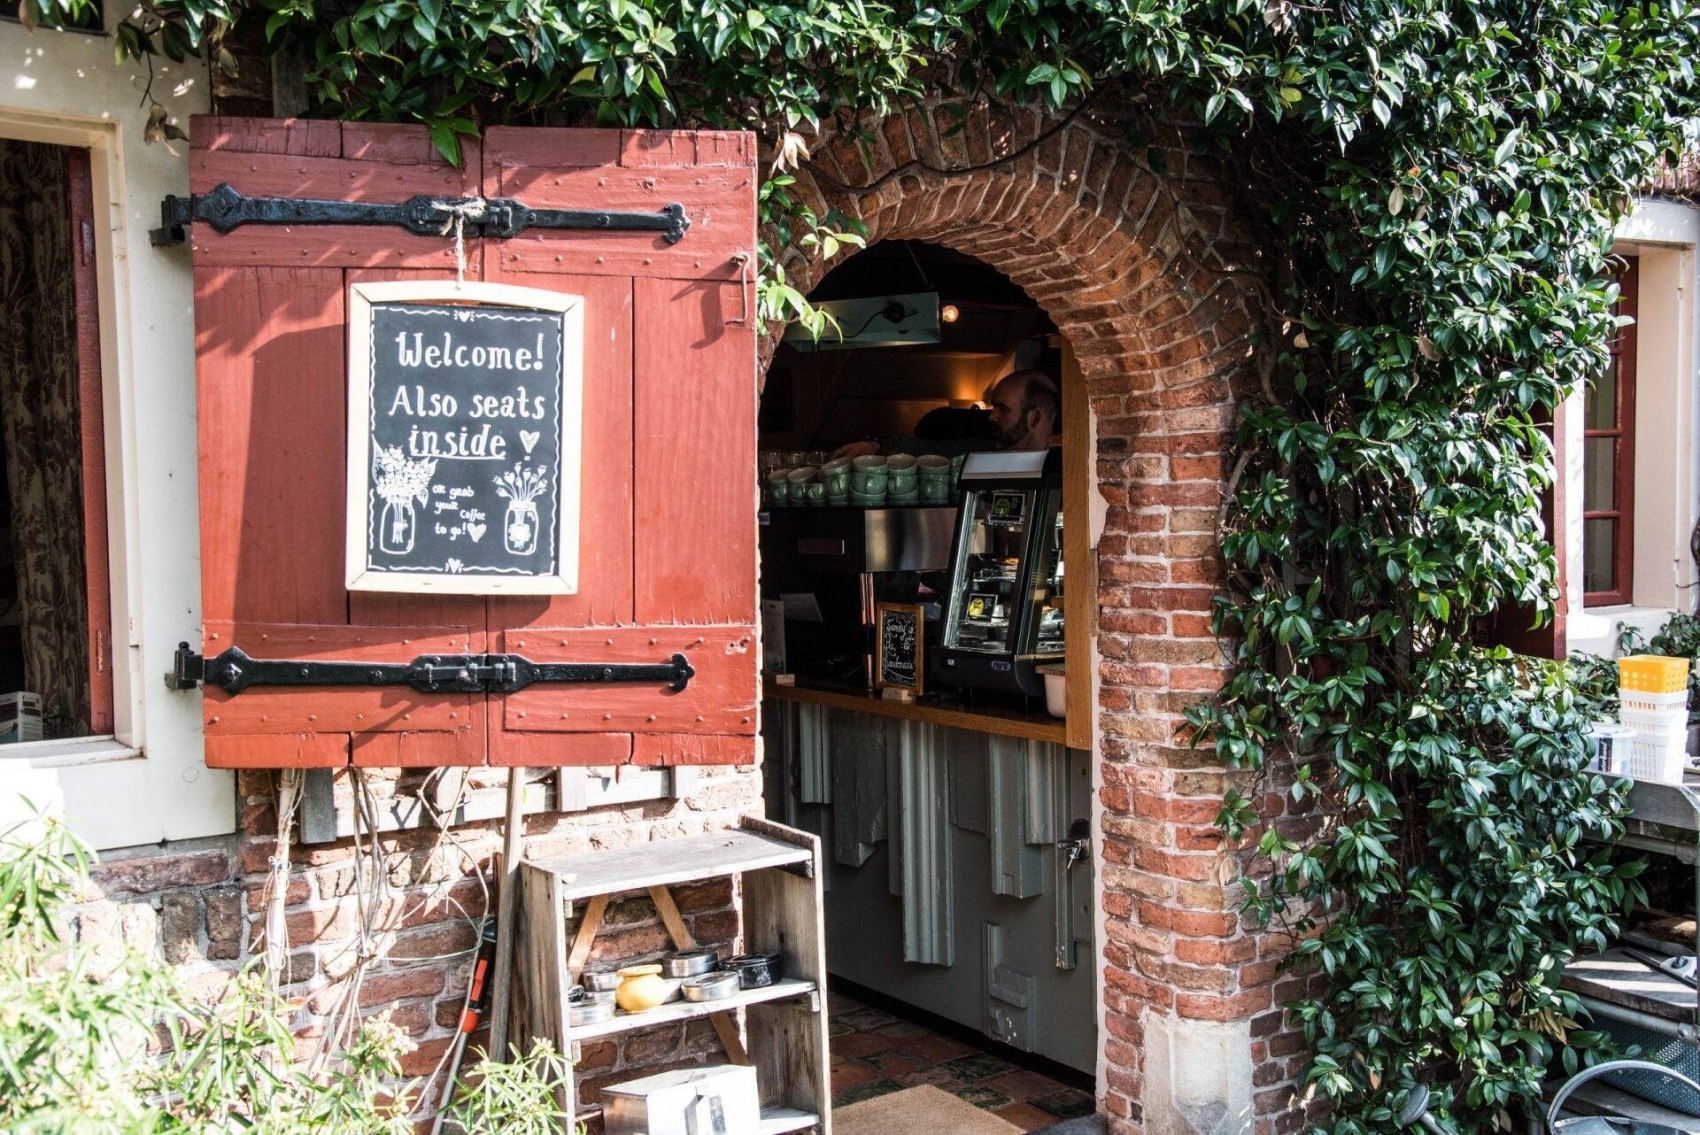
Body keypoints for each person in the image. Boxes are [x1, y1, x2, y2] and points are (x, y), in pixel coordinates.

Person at [830, 369, 1060, 459]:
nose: (991, 416)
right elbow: (931, 449)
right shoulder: (985, 451)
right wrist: (876, 447)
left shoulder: (1064, 464)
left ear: (1035, 418)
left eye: (1003, 409)